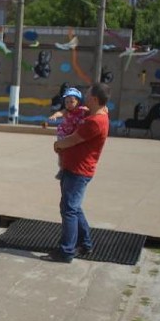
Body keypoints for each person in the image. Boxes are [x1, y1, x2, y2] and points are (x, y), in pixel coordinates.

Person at [44, 83, 111, 263]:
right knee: (74, 207)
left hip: (78, 170)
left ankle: (66, 251)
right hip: (74, 168)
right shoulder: (99, 113)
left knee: (69, 210)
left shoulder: (94, 121)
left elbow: (72, 140)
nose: (85, 98)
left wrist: (57, 145)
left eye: (88, 96)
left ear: (95, 99)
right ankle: (85, 244)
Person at [46, 86, 89, 179]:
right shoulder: (66, 111)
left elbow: (92, 111)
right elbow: (60, 113)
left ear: (78, 101)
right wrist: (54, 115)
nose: (69, 104)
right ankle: (61, 169)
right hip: (63, 134)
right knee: (61, 153)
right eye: (66, 102)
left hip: (74, 134)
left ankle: (71, 167)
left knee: (73, 152)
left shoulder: (82, 110)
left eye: (71, 102)